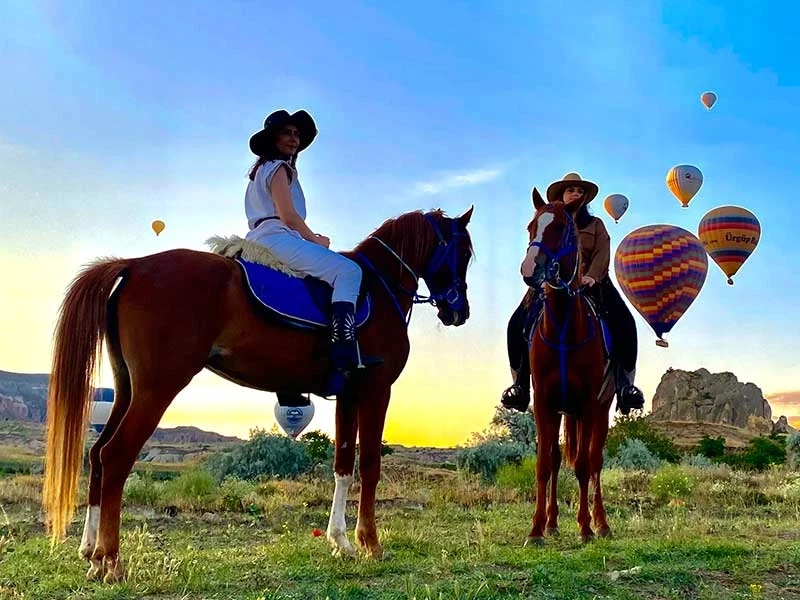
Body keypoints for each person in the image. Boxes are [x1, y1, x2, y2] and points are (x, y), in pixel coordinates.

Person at [244, 109, 380, 373]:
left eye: (296, 134)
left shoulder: (258, 172)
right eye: (286, 133)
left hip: (258, 238)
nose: (293, 139)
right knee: (349, 271)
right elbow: (289, 216)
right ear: (273, 138)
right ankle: (343, 346)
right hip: (278, 238)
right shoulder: (279, 168)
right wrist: (315, 239)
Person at [500, 172, 645, 415]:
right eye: (571, 190)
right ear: (561, 196)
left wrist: (592, 275)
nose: (576, 193)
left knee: (625, 322)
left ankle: (625, 385)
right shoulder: (549, 221)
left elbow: (602, 252)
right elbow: (538, 246)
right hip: (552, 283)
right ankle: (520, 384)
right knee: (516, 324)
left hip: (592, 284)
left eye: (579, 191)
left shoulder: (595, 224)